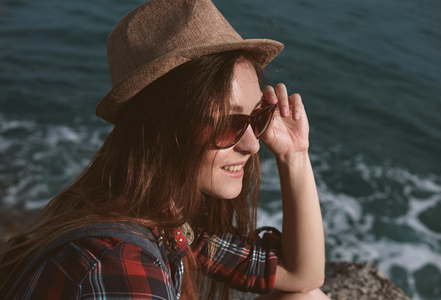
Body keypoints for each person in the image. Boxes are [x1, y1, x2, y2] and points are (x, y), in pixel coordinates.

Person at [0, 0, 331, 299]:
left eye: (257, 117)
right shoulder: (117, 265)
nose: (253, 144)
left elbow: (303, 277)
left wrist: (294, 155)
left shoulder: (170, 222)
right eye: (224, 122)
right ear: (161, 130)